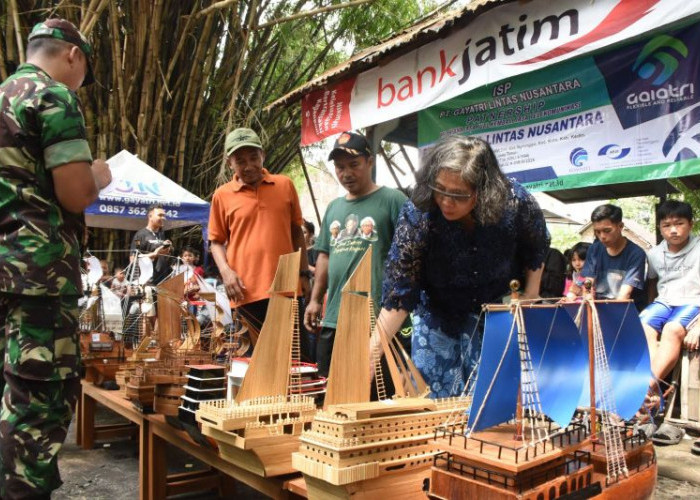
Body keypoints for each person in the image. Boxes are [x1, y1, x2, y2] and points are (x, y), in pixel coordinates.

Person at [0, 18, 112, 499]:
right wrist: (100, 175)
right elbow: (74, 194)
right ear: (73, 55)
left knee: (10, 396)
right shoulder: (52, 97)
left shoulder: (4, 94)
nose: (81, 79)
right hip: (38, 279)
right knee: (38, 403)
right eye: (85, 69)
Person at [370, 135, 549, 398]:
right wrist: (373, 351)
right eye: (440, 189)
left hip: (496, 311)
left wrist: (531, 295)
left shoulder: (515, 201)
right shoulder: (418, 213)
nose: (446, 201)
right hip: (437, 314)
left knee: (492, 402)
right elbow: (401, 287)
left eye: (458, 195)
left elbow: (538, 245)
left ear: (483, 192)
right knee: (432, 405)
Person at [304, 131, 408, 379]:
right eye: (340, 167)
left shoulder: (393, 200)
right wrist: (316, 299)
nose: (346, 173)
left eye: (354, 165)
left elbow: (410, 256)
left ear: (369, 162)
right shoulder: (334, 207)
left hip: (377, 316)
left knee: (374, 391)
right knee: (329, 385)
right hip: (335, 317)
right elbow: (324, 257)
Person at [208, 127, 310, 332]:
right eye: (240, 161)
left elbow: (296, 232)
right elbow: (216, 241)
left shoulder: (284, 185)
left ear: (263, 155)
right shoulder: (222, 195)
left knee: (293, 357)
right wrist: (226, 273)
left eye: (254, 158)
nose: (249, 166)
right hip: (245, 290)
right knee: (252, 361)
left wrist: (304, 274)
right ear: (230, 164)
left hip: (286, 287)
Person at [641, 201, 700, 382]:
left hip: (693, 302)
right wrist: (651, 304)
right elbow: (652, 282)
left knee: (672, 329)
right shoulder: (655, 254)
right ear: (660, 228)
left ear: (691, 224)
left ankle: (649, 385)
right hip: (664, 302)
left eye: (679, 223)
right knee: (642, 325)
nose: (673, 230)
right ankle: (652, 387)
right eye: (666, 225)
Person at [564, 204, 647, 310]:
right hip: (599, 307)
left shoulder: (636, 254)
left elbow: (624, 296)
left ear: (620, 226)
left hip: (627, 310)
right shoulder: (594, 250)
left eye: (607, 231)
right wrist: (587, 297)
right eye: (597, 232)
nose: (602, 236)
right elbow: (588, 282)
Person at [130, 204, 172, 285]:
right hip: (147, 282)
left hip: (163, 280)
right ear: (150, 216)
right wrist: (154, 254)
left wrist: (168, 249)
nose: (163, 218)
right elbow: (133, 259)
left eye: (164, 215)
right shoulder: (139, 235)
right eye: (160, 215)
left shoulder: (161, 234)